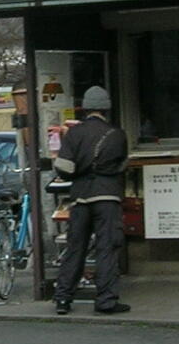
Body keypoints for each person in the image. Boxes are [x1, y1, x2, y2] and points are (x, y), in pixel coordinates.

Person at [53, 85, 130, 315]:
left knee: (76, 247)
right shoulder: (117, 134)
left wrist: (79, 172)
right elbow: (122, 165)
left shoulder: (74, 134)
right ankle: (106, 301)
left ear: (84, 108)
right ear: (106, 109)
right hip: (107, 196)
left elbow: (63, 167)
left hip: (80, 197)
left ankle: (63, 300)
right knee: (107, 247)